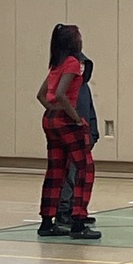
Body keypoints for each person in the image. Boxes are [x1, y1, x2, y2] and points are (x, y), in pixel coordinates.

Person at [36, 23, 101, 240]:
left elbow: (41, 95)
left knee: (55, 171)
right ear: (73, 41)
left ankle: (47, 221)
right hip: (67, 121)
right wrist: (75, 118)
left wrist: (52, 109)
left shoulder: (56, 63)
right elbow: (63, 94)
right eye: (79, 36)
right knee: (85, 170)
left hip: (50, 120)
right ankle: (78, 221)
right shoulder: (73, 63)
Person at [56, 48, 99, 233]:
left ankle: (75, 208)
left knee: (79, 175)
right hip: (73, 134)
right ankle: (64, 210)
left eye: (83, 65)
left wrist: (93, 132)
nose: (81, 69)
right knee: (69, 175)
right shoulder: (68, 89)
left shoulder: (84, 87)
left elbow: (89, 111)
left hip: (84, 134)